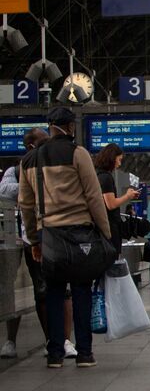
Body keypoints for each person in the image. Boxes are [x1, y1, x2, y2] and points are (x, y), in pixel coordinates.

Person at [18, 107, 111, 368]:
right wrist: (105, 231)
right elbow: (93, 196)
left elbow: (26, 204)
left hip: (49, 235)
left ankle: (55, 354)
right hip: (80, 233)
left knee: (54, 293)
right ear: (70, 126)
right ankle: (84, 353)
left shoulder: (28, 160)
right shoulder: (78, 153)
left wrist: (34, 240)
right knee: (81, 291)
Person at [0, 128, 79, 360]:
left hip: (57, 234)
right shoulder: (16, 169)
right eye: (43, 142)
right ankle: (19, 340)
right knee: (32, 291)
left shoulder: (57, 163)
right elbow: (4, 191)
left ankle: (63, 340)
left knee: (62, 289)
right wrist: (34, 182)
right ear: (30, 147)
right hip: (25, 239)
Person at [94, 143, 140, 256]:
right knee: (112, 260)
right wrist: (127, 196)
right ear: (111, 158)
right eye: (119, 160)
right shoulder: (106, 177)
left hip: (102, 226)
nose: (119, 164)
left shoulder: (97, 175)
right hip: (110, 227)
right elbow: (111, 204)